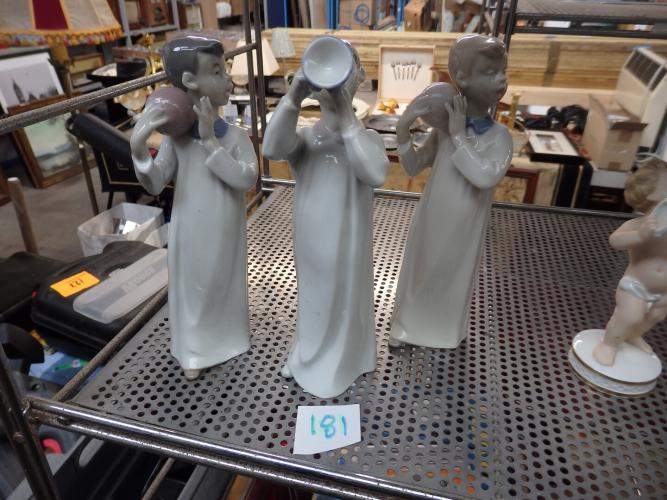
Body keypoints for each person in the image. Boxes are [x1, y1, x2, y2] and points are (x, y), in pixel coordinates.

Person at [263, 39, 389, 398]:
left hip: (349, 241)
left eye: (348, 71)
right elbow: (271, 148)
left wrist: (347, 116)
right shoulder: (306, 139)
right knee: (313, 299)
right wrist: (293, 97)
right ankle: (307, 355)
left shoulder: (367, 138)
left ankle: (347, 359)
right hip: (311, 239)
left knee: (346, 298)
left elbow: (375, 173)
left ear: (358, 78)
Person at [130, 36, 258, 380]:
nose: (228, 79)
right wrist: (139, 149)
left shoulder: (234, 137)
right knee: (195, 288)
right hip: (190, 229)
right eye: (216, 71)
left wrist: (212, 144)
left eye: (224, 69)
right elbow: (156, 182)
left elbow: (247, 178)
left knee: (225, 282)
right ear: (189, 81)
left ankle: (231, 339)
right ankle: (196, 349)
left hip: (227, 228)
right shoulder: (177, 140)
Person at [389, 34, 513, 349]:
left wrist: (459, 137)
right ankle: (408, 325)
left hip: (466, 223)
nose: (500, 80)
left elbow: (485, 176)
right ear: (462, 78)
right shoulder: (444, 130)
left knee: (453, 273)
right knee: (422, 267)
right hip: (433, 215)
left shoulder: (499, 136)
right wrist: (403, 132)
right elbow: (413, 166)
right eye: (489, 72)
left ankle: (442, 330)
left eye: (503, 71)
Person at [593, 158, 667, 366]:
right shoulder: (638, 225)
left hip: (664, 290)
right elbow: (615, 241)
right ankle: (609, 343)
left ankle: (634, 335)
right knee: (631, 316)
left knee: (656, 316)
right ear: (650, 193)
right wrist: (640, 236)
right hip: (636, 285)